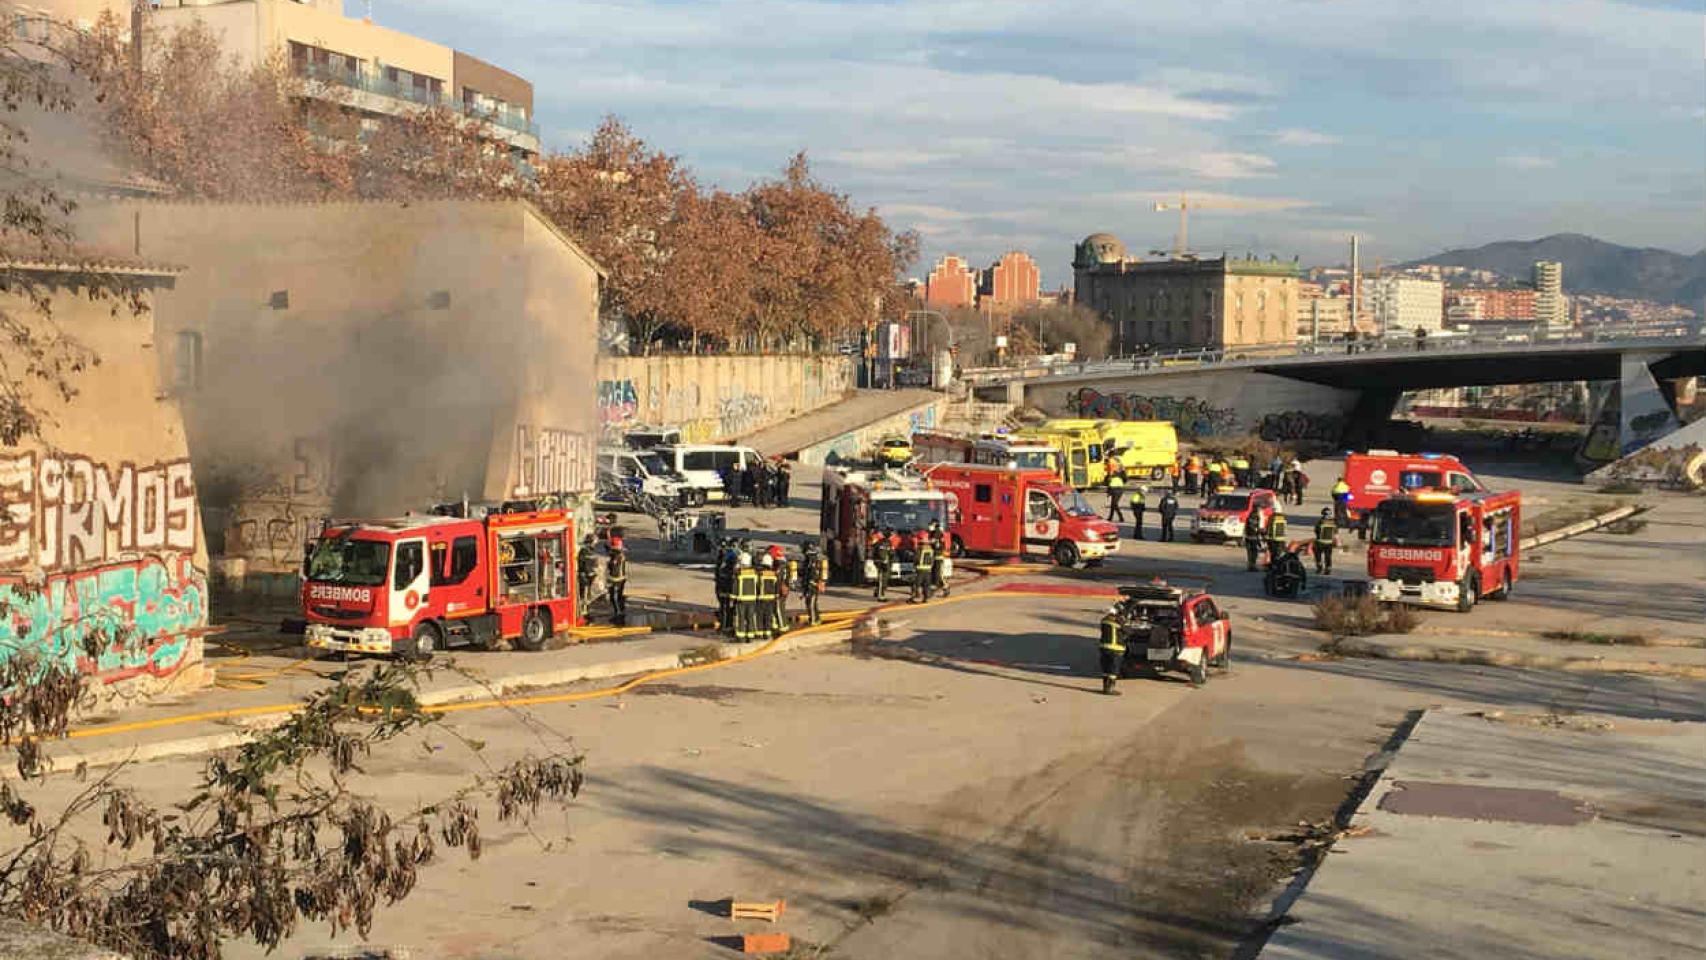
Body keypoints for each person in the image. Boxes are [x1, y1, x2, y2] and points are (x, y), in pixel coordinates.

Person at [1097, 607, 1126, 696]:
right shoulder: (1118, 621)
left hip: (1104, 648)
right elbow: (1127, 631)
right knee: (1113, 670)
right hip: (1115, 649)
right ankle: (1110, 690)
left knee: (1106, 669)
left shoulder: (1104, 620)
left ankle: (1105, 688)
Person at [733, 553, 759, 641]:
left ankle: (741, 637)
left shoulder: (739, 573)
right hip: (752, 599)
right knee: (750, 617)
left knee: (741, 618)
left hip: (741, 600)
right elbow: (757, 585)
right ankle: (750, 636)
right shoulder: (754, 573)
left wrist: (733, 597)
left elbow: (735, 586)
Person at [576, 534, 601, 622]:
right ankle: (583, 614)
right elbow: (585, 565)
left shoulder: (590, 551)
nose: (595, 544)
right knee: (584, 596)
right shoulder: (584, 552)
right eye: (594, 542)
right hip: (585, 578)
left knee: (588, 597)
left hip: (590, 578)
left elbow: (594, 563)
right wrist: (590, 573)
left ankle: (586, 612)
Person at [800, 541, 826, 625]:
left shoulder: (812, 561)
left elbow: (813, 575)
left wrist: (809, 587)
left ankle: (814, 620)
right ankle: (815, 618)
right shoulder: (809, 560)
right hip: (810, 585)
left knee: (811, 603)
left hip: (813, 586)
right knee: (809, 603)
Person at [713, 538, 736, 635]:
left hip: (724, 586)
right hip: (724, 585)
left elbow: (720, 572)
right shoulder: (725, 557)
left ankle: (726, 626)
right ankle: (727, 625)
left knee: (725, 607)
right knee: (725, 606)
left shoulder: (726, 558)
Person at [605, 536, 629, 625]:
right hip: (620, 579)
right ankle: (620, 612)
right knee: (618, 597)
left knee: (614, 598)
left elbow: (614, 568)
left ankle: (618, 614)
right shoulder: (619, 554)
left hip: (616, 580)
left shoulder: (617, 556)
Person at [756, 554, 779, 640]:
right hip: (771, 599)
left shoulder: (760, 574)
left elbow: (757, 585)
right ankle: (767, 633)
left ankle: (759, 633)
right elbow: (776, 587)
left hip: (762, 599)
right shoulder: (773, 574)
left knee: (760, 616)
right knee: (768, 616)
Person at [911, 529, 936, 603]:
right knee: (926, 585)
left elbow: (916, 558)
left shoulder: (920, 549)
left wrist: (914, 565)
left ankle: (917, 597)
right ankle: (926, 598)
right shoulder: (931, 549)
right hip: (928, 570)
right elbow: (932, 559)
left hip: (920, 569)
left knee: (917, 584)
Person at [928, 521, 950, 597]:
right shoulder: (933, 532)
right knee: (934, 573)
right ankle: (941, 588)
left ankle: (944, 587)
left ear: (935, 525)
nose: (929, 526)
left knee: (938, 574)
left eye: (931, 525)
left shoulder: (937, 532)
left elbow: (932, 541)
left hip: (939, 557)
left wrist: (923, 542)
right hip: (935, 556)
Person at [1313, 508, 1338, 575]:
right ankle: (1328, 568)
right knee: (1328, 556)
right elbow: (1335, 532)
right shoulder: (1333, 522)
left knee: (1318, 555)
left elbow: (1316, 531)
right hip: (1329, 542)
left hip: (1320, 542)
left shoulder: (1320, 521)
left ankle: (1319, 567)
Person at [871, 528, 894, 600]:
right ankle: (881, 596)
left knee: (882, 578)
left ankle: (878, 591)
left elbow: (891, 553)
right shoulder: (886, 543)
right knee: (882, 579)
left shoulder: (880, 542)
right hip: (882, 563)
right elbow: (891, 553)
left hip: (881, 562)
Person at [1243, 508, 1265, 572]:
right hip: (1254, 538)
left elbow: (1246, 527)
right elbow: (1258, 529)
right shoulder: (1257, 518)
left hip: (1248, 537)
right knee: (1254, 553)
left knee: (1249, 553)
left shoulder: (1248, 518)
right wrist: (1262, 538)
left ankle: (1250, 565)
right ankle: (1253, 566)